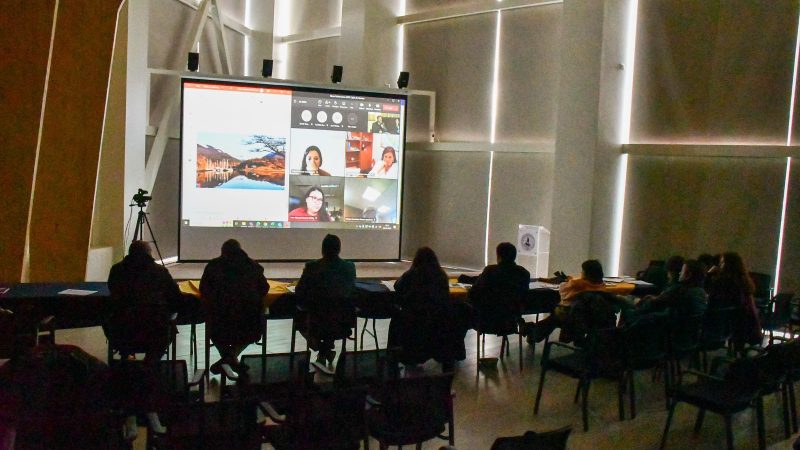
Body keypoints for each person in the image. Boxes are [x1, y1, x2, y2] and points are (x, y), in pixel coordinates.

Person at [105, 240, 182, 362]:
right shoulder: (160, 271)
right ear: (148, 253)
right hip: (154, 331)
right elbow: (174, 295)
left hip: (122, 330)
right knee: (168, 327)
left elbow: (112, 291)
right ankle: (150, 361)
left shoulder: (116, 270)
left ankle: (126, 355)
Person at [200, 239, 269, 374]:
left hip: (219, 319)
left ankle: (228, 357)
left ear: (222, 252)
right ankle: (231, 357)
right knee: (251, 332)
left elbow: (204, 290)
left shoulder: (213, 266)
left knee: (215, 330)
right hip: (248, 319)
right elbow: (264, 289)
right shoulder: (253, 266)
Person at [296, 234, 357, 366]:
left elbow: (299, 291)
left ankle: (322, 350)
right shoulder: (349, 267)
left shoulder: (312, 267)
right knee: (332, 314)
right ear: (339, 249)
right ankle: (326, 350)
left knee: (300, 316)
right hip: (342, 321)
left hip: (316, 321)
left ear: (322, 250)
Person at [389, 247, 452, 368]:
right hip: (437, 325)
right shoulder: (442, 276)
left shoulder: (411, 275)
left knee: (395, 319)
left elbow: (398, 286)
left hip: (412, 323)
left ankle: (393, 359)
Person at [528, 259, 618, 343]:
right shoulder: (602, 285)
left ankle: (531, 333)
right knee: (553, 319)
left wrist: (568, 281)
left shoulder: (577, 284)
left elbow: (563, 289)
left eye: (582, 271)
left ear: (586, 273)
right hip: (591, 320)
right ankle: (531, 331)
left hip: (572, 317)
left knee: (554, 318)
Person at [469, 243, 531, 341]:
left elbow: (473, 294)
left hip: (487, 321)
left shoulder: (490, 271)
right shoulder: (524, 273)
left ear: (499, 257)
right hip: (510, 322)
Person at [706, 251, 761, 352]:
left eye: (722, 263)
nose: (720, 265)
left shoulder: (722, 282)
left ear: (728, 265)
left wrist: (709, 274)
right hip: (741, 324)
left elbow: (711, 303)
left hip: (723, 326)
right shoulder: (744, 281)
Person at [624, 259, 708, 324]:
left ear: (688, 275)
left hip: (665, 329)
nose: (680, 273)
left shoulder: (679, 291)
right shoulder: (701, 292)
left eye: (682, 271)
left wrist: (638, 303)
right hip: (685, 334)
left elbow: (653, 305)